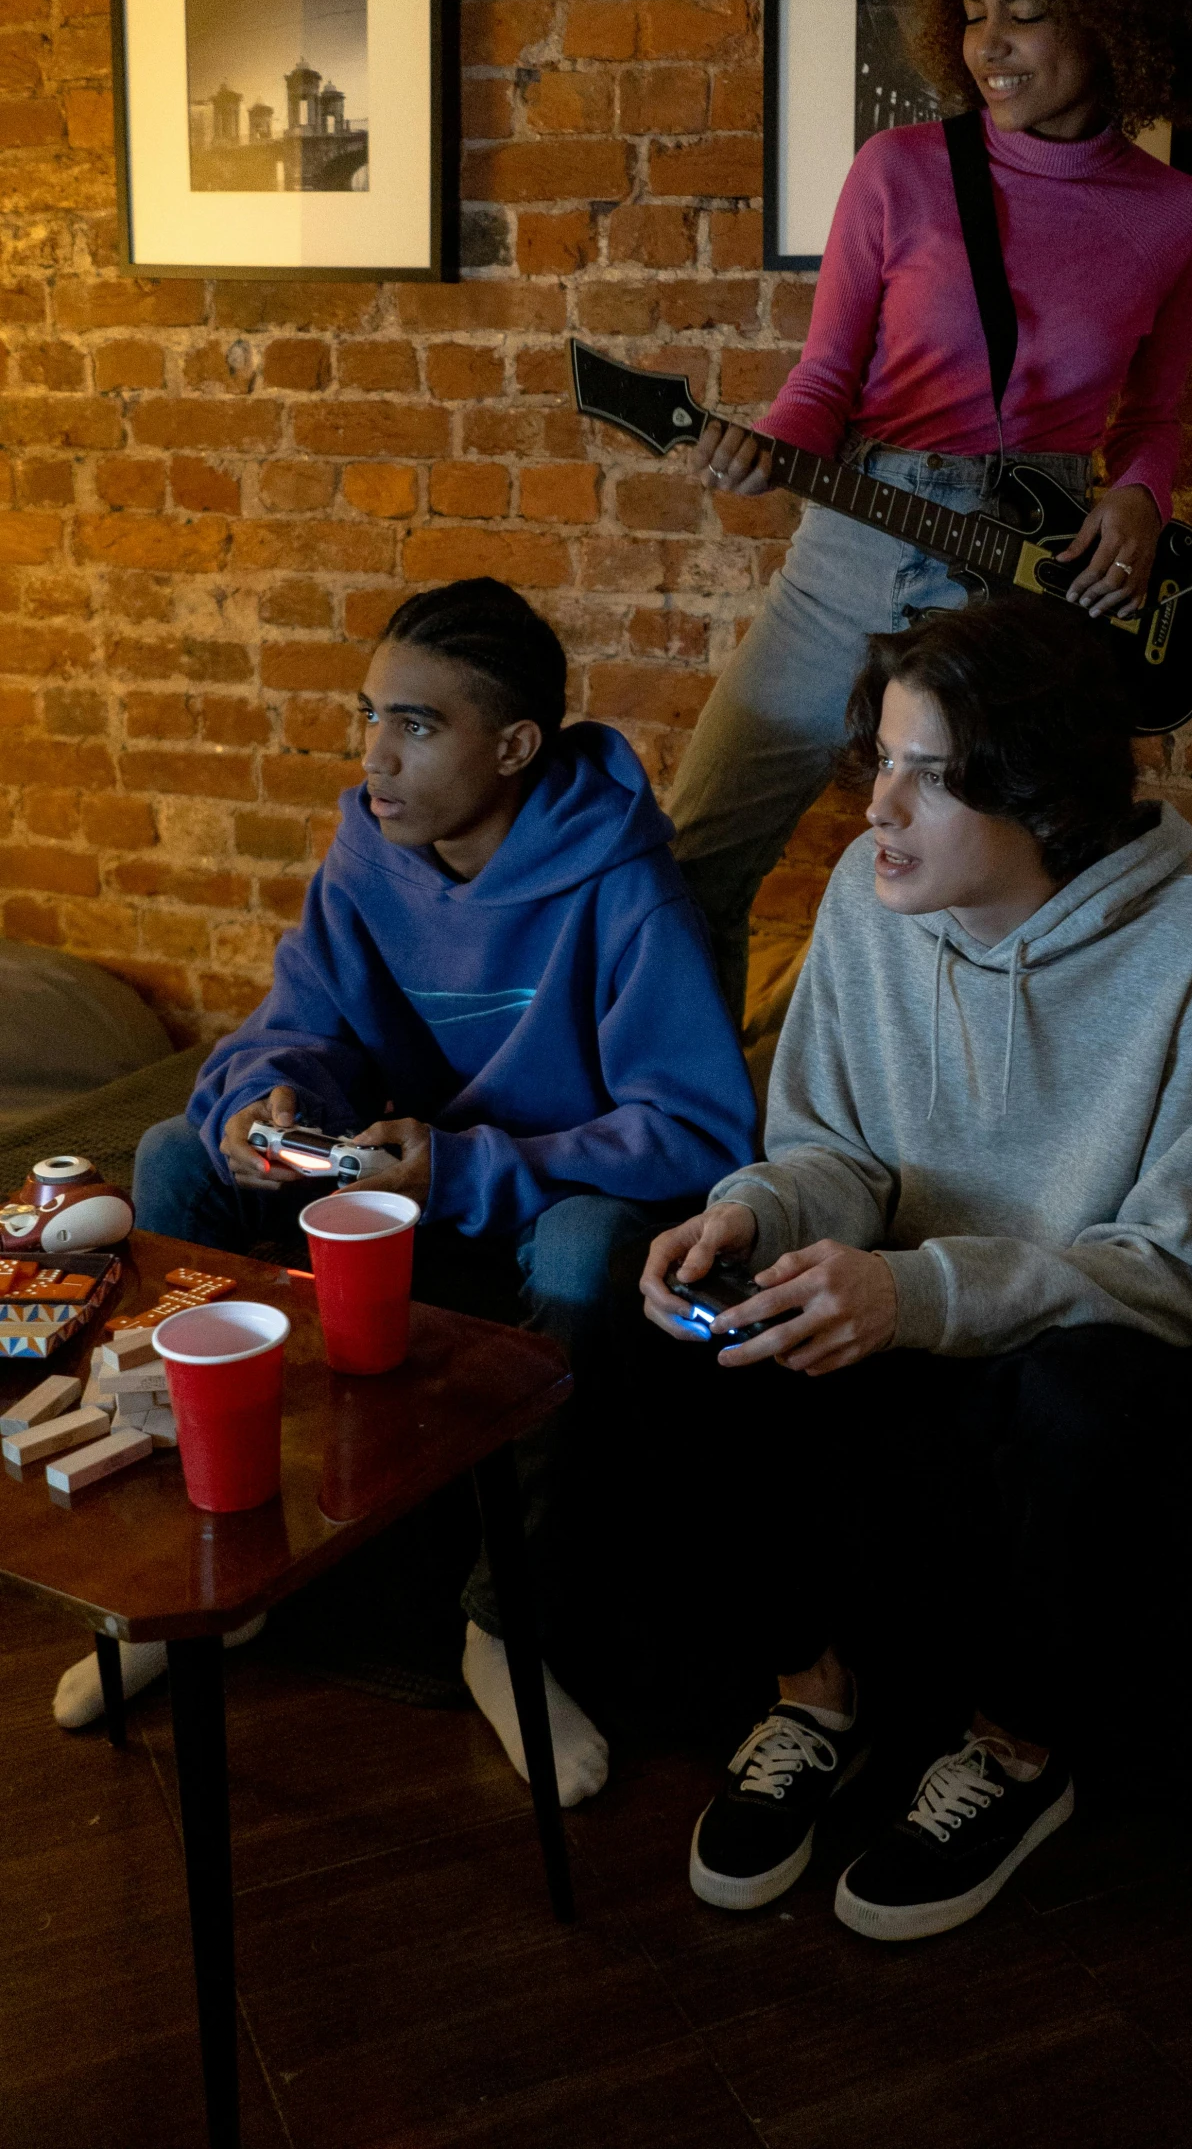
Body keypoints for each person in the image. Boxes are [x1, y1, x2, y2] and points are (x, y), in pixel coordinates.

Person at [642, 597, 1192, 1940]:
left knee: (1075, 1398)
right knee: (736, 1323)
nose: (878, 806)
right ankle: (815, 1703)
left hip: (1108, 1331)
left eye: (926, 776)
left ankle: (1013, 1753)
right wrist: (751, 1214)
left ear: (1039, 789)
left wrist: (920, 1290)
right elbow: (833, 1150)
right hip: (922, 1302)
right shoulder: (862, 907)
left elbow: (1179, 1269)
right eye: (879, 759)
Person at [54, 579, 756, 1799]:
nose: (376, 754)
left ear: (515, 745)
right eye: (369, 714)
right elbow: (296, 1027)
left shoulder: (623, 881)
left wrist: (473, 1165)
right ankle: (211, 1572)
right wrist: (267, 1102)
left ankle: (504, 1627)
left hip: (535, 1206)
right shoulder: (368, 850)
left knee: (591, 1252)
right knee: (176, 1151)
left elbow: (695, 1127)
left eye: (418, 725)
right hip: (378, 1193)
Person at [668, 0, 1192, 1018]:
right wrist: (766, 448)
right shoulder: (900, 170)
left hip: (1025, 583)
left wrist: (1137, 496)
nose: (990, 46)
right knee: (693, 860)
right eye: (972, 11)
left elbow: (1157, 408)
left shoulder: (1177, 214)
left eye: (1023, 10)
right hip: (852, 545)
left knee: (1000, 892)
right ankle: (702, 1145)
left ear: (1112, 7)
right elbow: (826, 377)